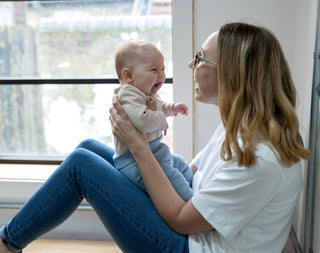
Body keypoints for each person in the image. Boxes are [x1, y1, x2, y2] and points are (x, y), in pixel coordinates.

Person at [0, 22, 311, 253]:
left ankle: (6, 244)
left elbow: (180, 219)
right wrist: (145, 146)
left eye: (200, 58)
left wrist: (139, 146)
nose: (192, 65)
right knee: (88, 149)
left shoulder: (258, 157)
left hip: (189, 245)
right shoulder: (243, 126)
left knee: (82, 164)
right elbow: (191, 174)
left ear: (231, 74)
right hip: (192, 228)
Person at [112, 40, 193, 201]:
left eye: (163, 69)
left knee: (180, 164)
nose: (162, 75)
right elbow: (143, 119)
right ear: (128, 76)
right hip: (133, 161)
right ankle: (192, 203)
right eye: (154, 70)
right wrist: (162, 119)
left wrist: (172, 107)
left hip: (155, 152)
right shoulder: (128, 94)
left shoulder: (145, 94)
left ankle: (193, 186)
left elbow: (159, 106)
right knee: (173, 178)